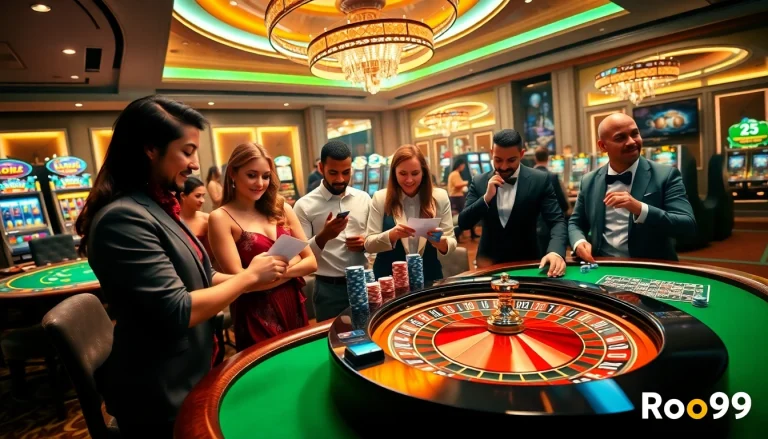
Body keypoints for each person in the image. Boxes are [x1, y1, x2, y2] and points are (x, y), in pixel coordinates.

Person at [76, 95, 288, 437]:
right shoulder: (122, 219)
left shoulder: (156, 206)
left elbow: (200, 276)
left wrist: (245, 278)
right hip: (159, 394)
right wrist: (248, 277)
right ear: (150, 149)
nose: (194, 164)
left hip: (189, 372)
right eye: (187, 151)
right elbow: (177, 310)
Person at [208, 142, 317, 352]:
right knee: (269, 373)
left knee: (299, 363)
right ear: (232, 173)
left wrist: (272, 272)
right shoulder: (220, 218)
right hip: (255, 311)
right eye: (251, 175)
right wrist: (292, 265)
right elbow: (241, 282)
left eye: (266, 176)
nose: (260, 183)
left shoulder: (282, 207)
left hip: (292, 301)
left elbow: (311, 262)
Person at [568, 113, 696, 262]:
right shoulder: (589, 180)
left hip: (650, 267)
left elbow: (687, 225)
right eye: (620, 138)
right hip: (601, 264)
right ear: (603, 146)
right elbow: (575, 223)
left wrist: (640, 209)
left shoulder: (666, 175)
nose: (631, 142)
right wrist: (579, 242)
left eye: (635, 134)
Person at [458, 129, 567, 277]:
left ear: (521, 154)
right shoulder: (479, 181)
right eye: (498, 160)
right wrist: (486, 197)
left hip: (527, 263)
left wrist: (556, 252)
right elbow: (464, 223)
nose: (503, 167)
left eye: (511, 160)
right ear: (492, 153)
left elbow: (557, 221)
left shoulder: (539, 180)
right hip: (488, 264)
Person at [294, 140, 371, 321]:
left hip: (364, 282)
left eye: (346, 172)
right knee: (332, 341)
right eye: (333, 173)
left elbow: (375, 238)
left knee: (369, 338)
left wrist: (365, 243)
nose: (340, 179)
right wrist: (324, 236)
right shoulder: (304, 206)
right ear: (321, 168)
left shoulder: (364, 199)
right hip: (328, 289)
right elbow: (300, 257)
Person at [365, 144, 457, 284]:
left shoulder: (440, 197)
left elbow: (451, 241)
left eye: (415, 173)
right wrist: (391, 235)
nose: (409, 180)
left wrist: (440, 242)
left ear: (423, 172)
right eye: (403, 173)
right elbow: (369, 244)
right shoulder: (380, 198)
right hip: (389, 279)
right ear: (394, 173)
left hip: (429, 276)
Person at [533, 146, 570, 257]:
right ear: (548, 158)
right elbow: (563, 204)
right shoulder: (552, 177)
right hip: (550, 226)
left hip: (531, 227)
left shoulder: (527, 177)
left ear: (535, 158)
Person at [178, 176, 215, 266]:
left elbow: (213, 256)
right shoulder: (172, 220)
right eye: (198, 196)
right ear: (183, 196)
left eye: (203, 196)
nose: (202, 200)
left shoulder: (207, 219)